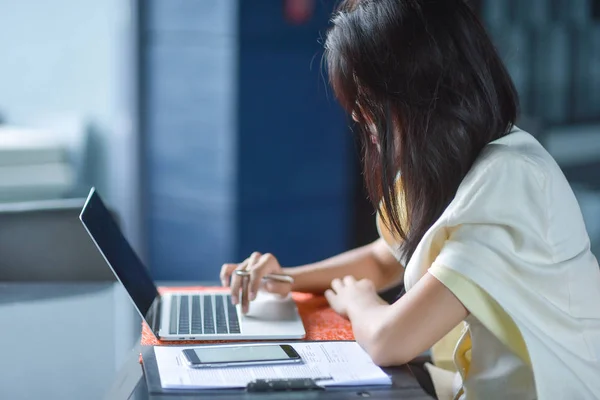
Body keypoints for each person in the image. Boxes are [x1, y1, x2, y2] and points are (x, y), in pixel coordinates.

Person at [220, 0, 600, 398]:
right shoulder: (450, 168)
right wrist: (286, 279)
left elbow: (389, 338)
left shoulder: (509, 179)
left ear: (419, 87)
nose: (356, 116)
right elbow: (383, 258)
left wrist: (358, 301)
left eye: (366, 97)